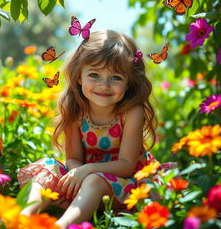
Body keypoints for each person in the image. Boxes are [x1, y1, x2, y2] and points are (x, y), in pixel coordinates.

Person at [18, 30, 176, 228]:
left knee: (94, 180)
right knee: (48, 167)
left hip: (126, 186)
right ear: (79, 76)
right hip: (84, 178)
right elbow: (73, 157)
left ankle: (62, 225)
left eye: (116, 78)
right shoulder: (74, 108)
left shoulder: (131, 112)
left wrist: (88, 171)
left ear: (129, 83)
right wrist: (77, 175)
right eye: (94, 74)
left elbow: (127, 164)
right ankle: (21, 218)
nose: (104, 85)